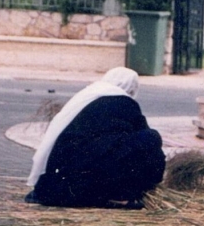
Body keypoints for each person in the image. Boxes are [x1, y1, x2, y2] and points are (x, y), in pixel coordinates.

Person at [25, 67, 165, 209]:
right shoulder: (126, 103)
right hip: (96, 177)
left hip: (62, 177)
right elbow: (145, 137)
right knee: (151, 138)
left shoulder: (87, 97)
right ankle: (121, 195)